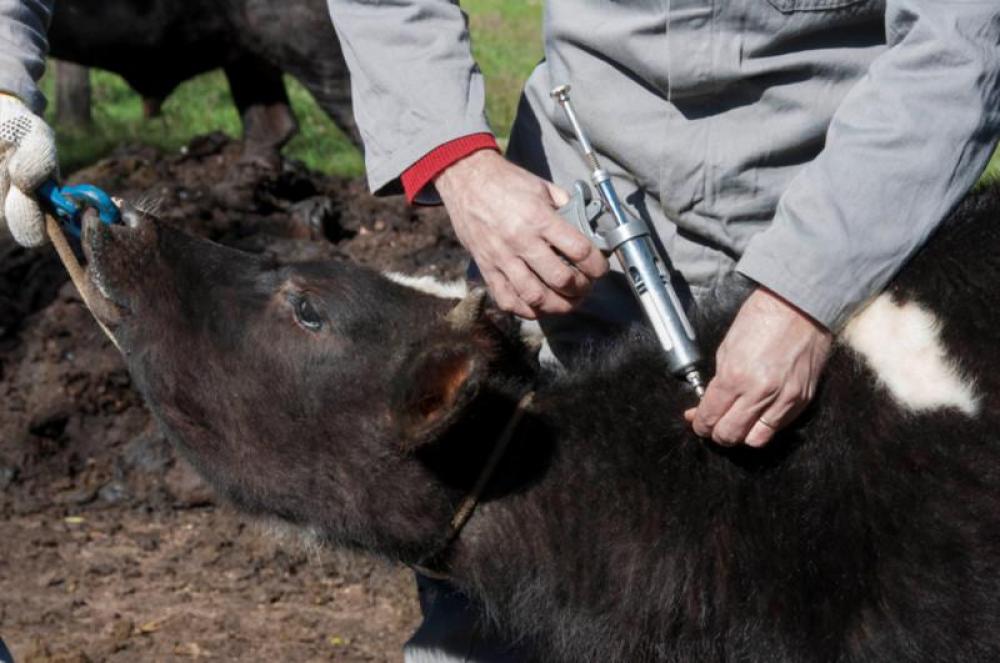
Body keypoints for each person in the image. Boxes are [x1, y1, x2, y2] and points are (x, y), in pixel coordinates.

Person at [322, 0, 1000, 660]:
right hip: (562, 240)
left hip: (838, 226)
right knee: (494, 605)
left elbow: (962, 36)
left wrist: (808, 290)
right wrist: (463, 167)